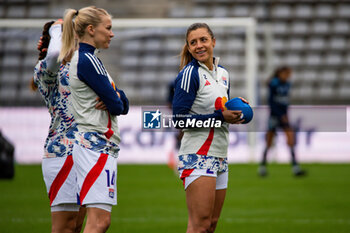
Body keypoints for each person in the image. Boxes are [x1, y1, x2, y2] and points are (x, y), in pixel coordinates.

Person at [60, 6, 129, 233]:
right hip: (94, 145)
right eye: (108, 28)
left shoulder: (90, 59)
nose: (112, 33)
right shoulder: (87, 60)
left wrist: (116, 97)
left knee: (94, 221)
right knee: (99, 221)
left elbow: (120, 102)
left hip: (97, 145)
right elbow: (118, 105)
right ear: (91, 29)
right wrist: (116, 98)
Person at [172, 23, 247, 233]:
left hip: (220, 154)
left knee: (211, 225)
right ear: (188, 47)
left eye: (203, 40)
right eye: (193, 42)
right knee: (200, 225)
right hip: (198, 154)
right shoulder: (189, 74)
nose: (199, 46)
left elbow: (220, 109)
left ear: (213, 41)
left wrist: (236, 107)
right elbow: (179, 119)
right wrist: (219, 117)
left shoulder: (223, 73)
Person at [33, 19, 87, 233]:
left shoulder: (82, 66)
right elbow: (55, 55)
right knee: (65, 227)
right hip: (64, 152)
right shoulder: (47, 70)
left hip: (86, 152)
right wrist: (57, 28)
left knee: (77, 227)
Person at [258, 66, 306, 177]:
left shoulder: (287, 84)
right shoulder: (274, 84)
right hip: (275, 116)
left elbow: (284, 102)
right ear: (280, 74)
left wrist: (285, 114)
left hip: (284, 116)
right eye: (286, 74)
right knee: (269, 142)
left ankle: (295, 167)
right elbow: (272, 103)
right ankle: (262, 167)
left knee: (290, 140)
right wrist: (281, 115)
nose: (288, 76)